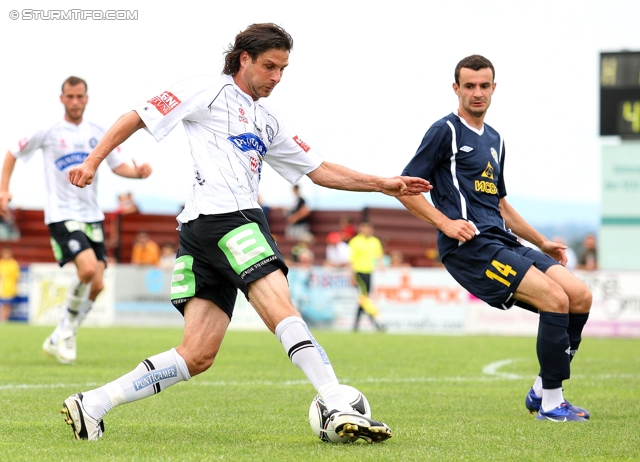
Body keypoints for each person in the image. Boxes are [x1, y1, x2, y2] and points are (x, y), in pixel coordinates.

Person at [61, 23, 431, 442]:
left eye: (283, 69)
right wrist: (92, 162)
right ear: (244, 60)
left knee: (197, 354)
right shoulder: (208, 90)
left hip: (201, 231)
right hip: (229, 219)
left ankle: (93, 403)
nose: (276, 77)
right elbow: (137, 116)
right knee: (281, 306)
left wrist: (382, 183)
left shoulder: (267, 119)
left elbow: (321, 170)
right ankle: (336, 403)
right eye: (269, 66)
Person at [398, 55, 592, 422]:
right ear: (455, 88)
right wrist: (446, 223)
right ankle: (552, 403)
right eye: (469, 86)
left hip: (502, 239)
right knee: (554, 298)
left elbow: (500, 203)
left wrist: (542, 241)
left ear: (494, 88)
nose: (477, 93)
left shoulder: (495, 139)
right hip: (469, 246)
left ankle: (541, 389)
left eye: (484, 86)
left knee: (580, 296)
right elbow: (405, 188)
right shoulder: (445, 131)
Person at [0, 76, 152, 364]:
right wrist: (4, 188)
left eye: (79, 96)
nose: (74, 102)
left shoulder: (97, 132)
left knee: (97, 284)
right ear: (62, 99)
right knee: (87, 269)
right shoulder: (48, 131)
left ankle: (60, 334)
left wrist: (139, 173)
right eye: (69, 96)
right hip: (61, 215)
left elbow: (118, 165)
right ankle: (67, 330)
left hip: (92, 216)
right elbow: (13, 152)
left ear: (86, 98)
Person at [349, 222, 385, 332]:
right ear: (361, 229)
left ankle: (357, 325)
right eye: (365, 228)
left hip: (369, 273)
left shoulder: (375, 241)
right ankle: (375, 323)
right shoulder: (355, 242)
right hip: (359, 272)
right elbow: (351, 260)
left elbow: (379, 255)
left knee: (364, 300)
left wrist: (380, 264)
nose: (367, 230)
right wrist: (352, 275)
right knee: (364, 299)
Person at [0, 247, 20, 322]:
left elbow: (16, 277)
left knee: (7, 305)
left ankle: (4, 319)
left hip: (9, 287)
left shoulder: (13, 264)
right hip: (1, 287)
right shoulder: (1, 263)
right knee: (4, 304)